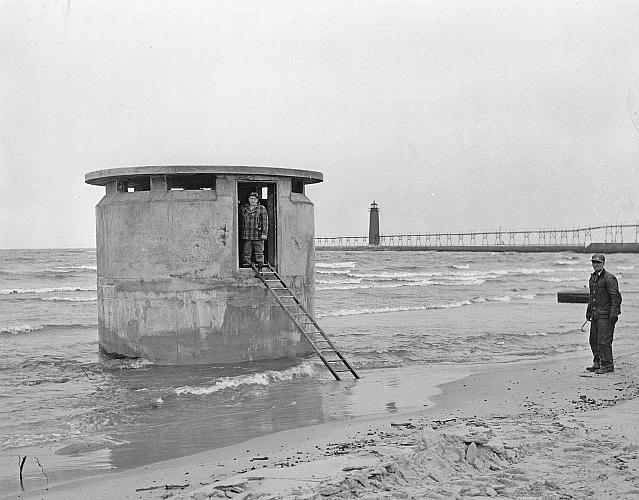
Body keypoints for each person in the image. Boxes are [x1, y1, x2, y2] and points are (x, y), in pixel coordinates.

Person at [585, 253, 622, 374]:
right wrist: (589, 311)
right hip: (596, 314)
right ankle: (597, 363)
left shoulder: (609, 278)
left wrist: (614, 315)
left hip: (606, 315)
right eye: (593, 262)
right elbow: (592, 297)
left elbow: (615, 297)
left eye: (598, 262)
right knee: (593, 340)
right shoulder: (593, 278)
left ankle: (607, 365)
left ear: (603, 263)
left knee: (604, 341)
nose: (595, 264)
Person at [240, 192, 268, 268]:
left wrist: (264, 233)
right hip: (247, 233)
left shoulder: (261, 208)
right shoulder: (244, 208)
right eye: (251, 198)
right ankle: (246, 264)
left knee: (259, 251)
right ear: (248, 199)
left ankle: (260, 266)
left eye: (254, 199)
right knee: (246, 251)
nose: (252, 200)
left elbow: (265, 221)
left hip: (257, 234)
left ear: (257, 200)